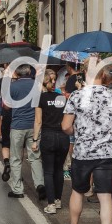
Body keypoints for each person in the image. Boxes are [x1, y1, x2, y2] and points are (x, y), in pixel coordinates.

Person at [61, 66, 112, 224]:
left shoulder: (76, 96)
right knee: (105, 196)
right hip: (105, 152)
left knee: (78, 191)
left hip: (82, 152)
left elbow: (65, 125)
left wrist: (77, 133)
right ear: (104, 75)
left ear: (85, 74)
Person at [5, 65, 44, 199]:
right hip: (34, 126)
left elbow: (7, 105)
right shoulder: (38, 85)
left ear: (17, 73)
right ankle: (40, 185)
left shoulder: (13, 86)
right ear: (29, 72)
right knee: (35, 157)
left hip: (17, 125)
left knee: (16, 158)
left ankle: (17, 190)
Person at [32, 71, 69, 214]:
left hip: (48, 136)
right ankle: (58, 200)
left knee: (48, 171)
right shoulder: (62, 98)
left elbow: (38, 121)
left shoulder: (39, 98)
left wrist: (35, 140)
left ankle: (51, 203)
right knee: (59, 169)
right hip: (62, 136)